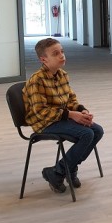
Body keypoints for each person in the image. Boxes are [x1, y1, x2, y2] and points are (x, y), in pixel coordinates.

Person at [23, 38, 104, 194]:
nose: (61, 55)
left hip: (61, 118)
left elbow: (71, 99)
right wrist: (71, 115)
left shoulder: (62, 75)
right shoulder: (36, 80)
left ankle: (62, 170)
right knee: (86, 134)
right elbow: (41, 112)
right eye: (56, 53)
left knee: (98, 130)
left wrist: (82, 110)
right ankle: (64, 170)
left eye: (62, 51)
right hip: (44, 123)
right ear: (43, 60)